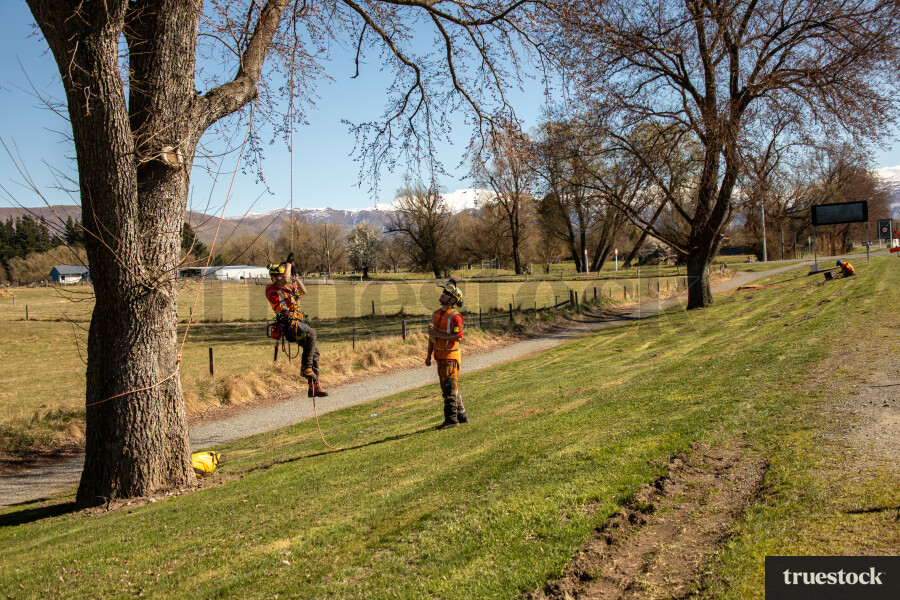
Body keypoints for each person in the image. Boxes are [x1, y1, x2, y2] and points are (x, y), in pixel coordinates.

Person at [265, 253, 327, 397]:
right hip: (289, 324)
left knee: (315, 352)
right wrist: (288, 263)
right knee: (312, 333)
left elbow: (304, 291)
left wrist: (296, 277)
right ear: (274, 277)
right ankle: (306, 367)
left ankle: (314, 386)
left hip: (298, 323)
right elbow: (284, 279)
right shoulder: (271, 288)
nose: (284, 278)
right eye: (280, 276)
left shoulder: (289, 289)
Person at [425, 279, 469, 429]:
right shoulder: (436, 314)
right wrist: (428, 355)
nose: (442, 295)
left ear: (451, 300)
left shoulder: (456, 317)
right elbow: (432, 337)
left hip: (451, 358)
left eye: (445, 293)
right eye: (443, 292)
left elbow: (458, 337)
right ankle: (462, 415)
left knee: (449, 390)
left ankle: (451, 420)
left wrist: (439, 333)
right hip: (440, 357)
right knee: (451, 388)